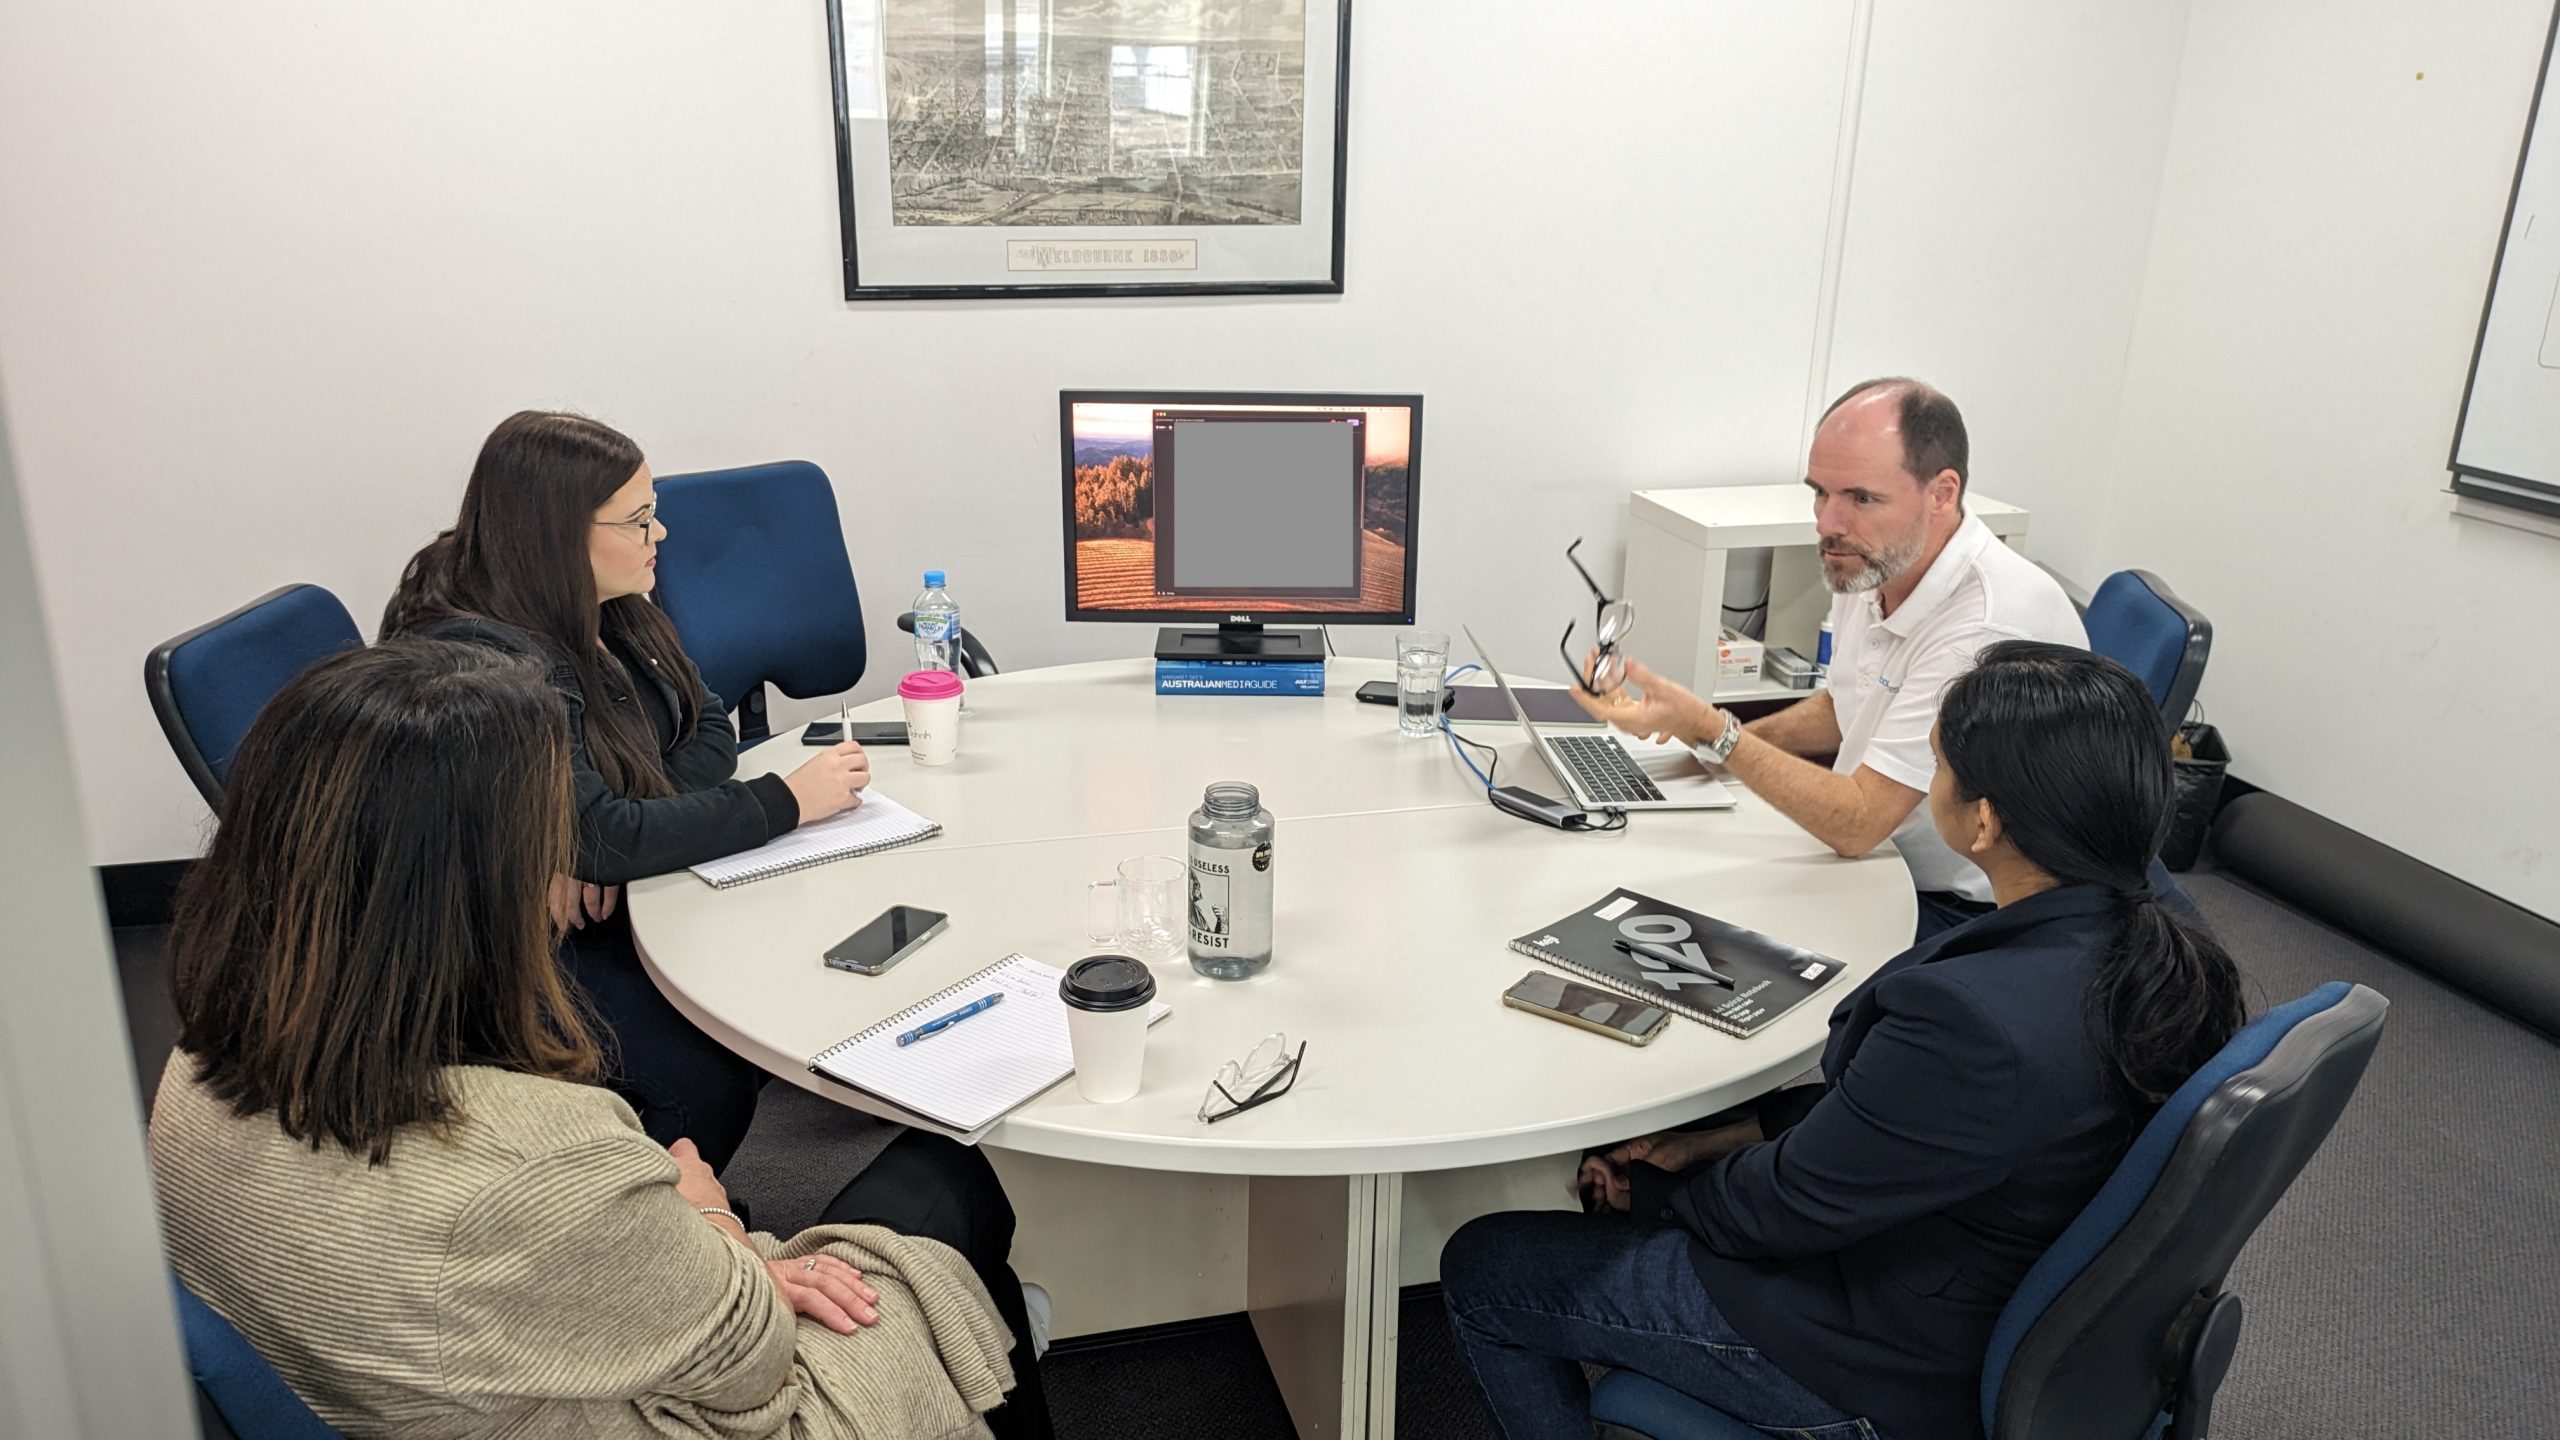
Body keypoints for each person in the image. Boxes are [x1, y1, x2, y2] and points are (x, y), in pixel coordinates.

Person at [151, 638, 1019, 1438]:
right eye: (550, 836)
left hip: (441, 1377)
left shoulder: (189, 1075)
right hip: (652, 1403)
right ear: (476, 884)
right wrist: (712, 1220)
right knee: (940, 1186)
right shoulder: (548, 1160)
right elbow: (753, 1363)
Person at [382, 411, 1052, 1437]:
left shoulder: (615, 606)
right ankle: (767, 1220)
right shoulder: (486, 662)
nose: (661, 537)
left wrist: (609, 827)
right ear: (556, 532)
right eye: (637, 520)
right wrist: (757, 807)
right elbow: (613, 828)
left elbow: (704, 731)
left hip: (620, 902)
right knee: (729, 1064)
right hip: (536, 959)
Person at [1441, 642, 2250, 1440]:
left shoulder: (1975, 1021)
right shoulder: (2172, 945)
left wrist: (1649, 1194)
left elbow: (1779, 1213)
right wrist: (1722, 1137)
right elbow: (1917, 1130)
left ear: (1984, 821)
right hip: (2012, 1286)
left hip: (1886, 1359)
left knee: (1487, 1268)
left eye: (1937, 766)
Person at [1576, 378, 2090, 939]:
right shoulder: (1875, 561)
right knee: (1656, 875)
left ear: (1942, 493)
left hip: (1971, 911)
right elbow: (1849, 701)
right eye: (1821, 492)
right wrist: (1706, 747)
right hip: (1881, 859)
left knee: (1683, 927)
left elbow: (1859, 824)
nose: (1827, 523)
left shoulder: (1982, 627)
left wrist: (1715, 733)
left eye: (1861, 498)